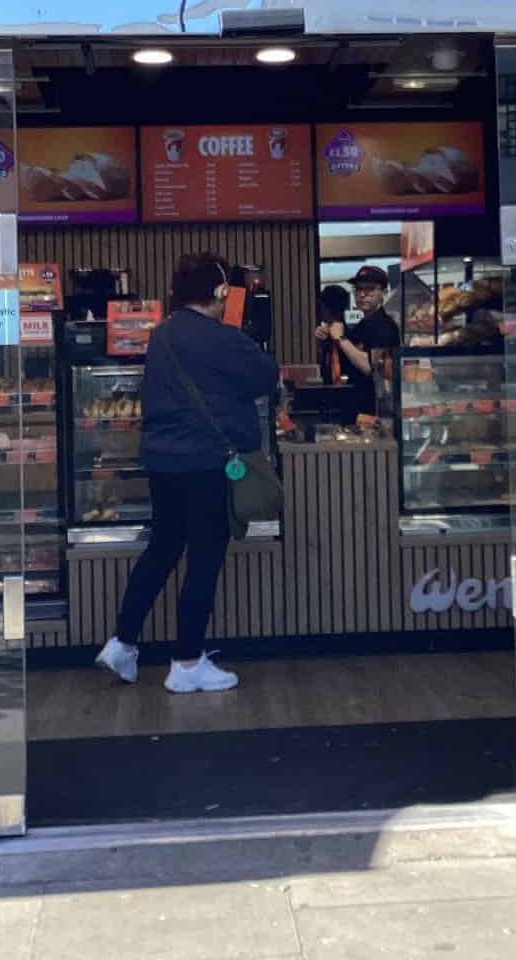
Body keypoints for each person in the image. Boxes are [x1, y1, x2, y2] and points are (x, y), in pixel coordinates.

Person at [95, 251, 278, 694]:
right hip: (207, 465)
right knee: (204, 559)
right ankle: (188, 661)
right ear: (219, 292)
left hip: (163, 463)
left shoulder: (161, 336)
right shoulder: (225, 338)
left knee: (162, 550)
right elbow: (266, 377)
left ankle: (122, 642)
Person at [315, 265, 399, 417]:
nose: (362, 294)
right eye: (358, 289)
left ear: (384, 292)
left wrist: (341, 339)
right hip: (357, 407)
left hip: (375, 409)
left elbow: (371, 368)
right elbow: (346, 361)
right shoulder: (362, 325)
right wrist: (325, 339)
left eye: (370, 289)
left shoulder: (385, 326)